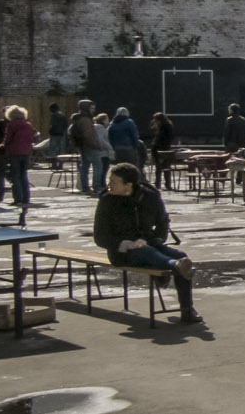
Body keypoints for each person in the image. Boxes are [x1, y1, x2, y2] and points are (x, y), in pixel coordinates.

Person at [94, 162, 201, 325]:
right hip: (121, 252)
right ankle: (173, 265)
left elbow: (163, 220)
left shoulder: (149, 196)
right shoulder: (107, 200)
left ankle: (187, 310)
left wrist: (159, 238)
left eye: (114, 182)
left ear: (128, 186)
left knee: (181, 256)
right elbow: (100, 237)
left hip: (151, 244)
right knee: (145, 251)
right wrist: (126, 244)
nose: (109, 184)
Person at [0, 106, 36, 206]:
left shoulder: (12, 125)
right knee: (24, 175)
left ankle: (17, 198)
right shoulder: (28, 125)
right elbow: (31, 139)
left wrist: (2, 145)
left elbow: (8, 139)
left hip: (15, 152)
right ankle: (26, 198)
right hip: (26, 152)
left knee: (15, 176)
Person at [71, 101, 107, 195]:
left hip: (83, 147)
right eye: (91, 108)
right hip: (90, 147)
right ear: (86, 108)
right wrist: (96, 146)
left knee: (84, 168)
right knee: (98, 167)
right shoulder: (86, 120)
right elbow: (89, 135)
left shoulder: (79, 118)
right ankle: (96, 187)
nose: (93, 110)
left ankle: (85, 188)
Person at [148, 112, 176, 190]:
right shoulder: (168, 127)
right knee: (165, 167)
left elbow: (160, 139)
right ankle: (166, 184)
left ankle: (159, 184)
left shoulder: (163, 128)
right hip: (165, 148)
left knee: (159, 168)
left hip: (160, 149)